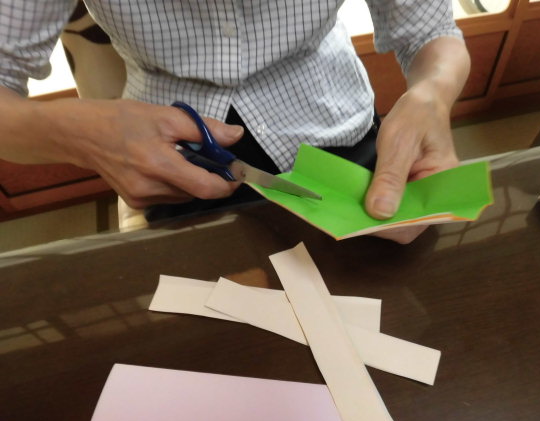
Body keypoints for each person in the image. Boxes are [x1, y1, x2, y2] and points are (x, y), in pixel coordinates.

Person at [0, 0, 470, 244]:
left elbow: (430, 29)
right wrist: (77, 132)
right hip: (176, 156)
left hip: (341, 125)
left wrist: (433, 92)